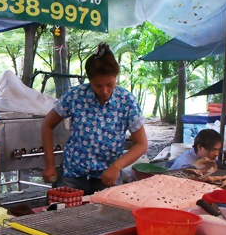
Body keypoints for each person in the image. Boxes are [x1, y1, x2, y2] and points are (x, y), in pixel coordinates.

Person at [41, 42, 148, 194]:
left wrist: (116, 166)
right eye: (98, 86)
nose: (105, 91)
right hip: (72, 175)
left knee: (106, 210)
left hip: (107, 178)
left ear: (116, 78)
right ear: (89, 81)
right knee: (63, 209)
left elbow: (141, 144)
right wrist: (50, 164)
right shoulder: (75, 96)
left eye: (109, 84)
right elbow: (47, 125)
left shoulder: (127, 101)